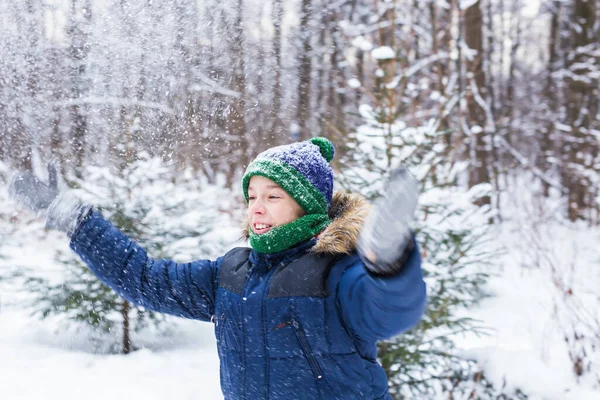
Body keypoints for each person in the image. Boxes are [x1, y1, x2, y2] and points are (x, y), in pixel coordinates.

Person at [9, 137, 426, 400]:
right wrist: (76, 219)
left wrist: (388, 262)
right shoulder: (232, 273)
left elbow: (391, 309)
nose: (257, 206)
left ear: (308, 205)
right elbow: (143, 277)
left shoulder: (335, 273)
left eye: (274, 196)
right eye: (252, 195)